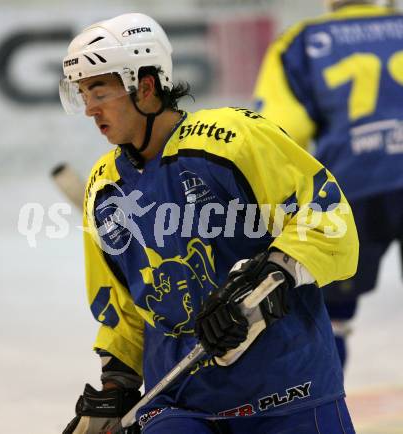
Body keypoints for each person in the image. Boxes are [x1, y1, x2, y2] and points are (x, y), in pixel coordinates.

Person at [60, 13, 358, 434]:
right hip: (182, 405)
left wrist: (273, 274)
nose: (89, 107)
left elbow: (330, 221)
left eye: (99, 89)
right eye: (82, 93)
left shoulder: (233, 139)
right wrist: (118, 387)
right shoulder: (104, 187)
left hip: (289, 389)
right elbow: (124, 308)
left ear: (145, 86)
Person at [253, 0, 403, 369]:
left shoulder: (300, 43)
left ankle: (324, 418)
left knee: (331, 319)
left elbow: (279, 137)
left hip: (353, 189)